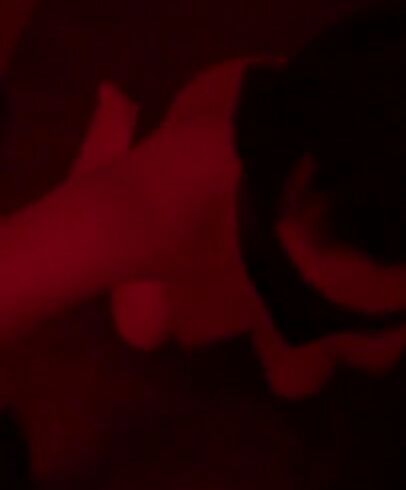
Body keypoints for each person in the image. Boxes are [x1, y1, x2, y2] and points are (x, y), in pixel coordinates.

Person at [0, 0, 403, 403]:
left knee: (295, 382)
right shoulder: (200, 174)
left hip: (288, 171)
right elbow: (55, 249)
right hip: (222, 191)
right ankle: (118, 143)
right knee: (140, 327)